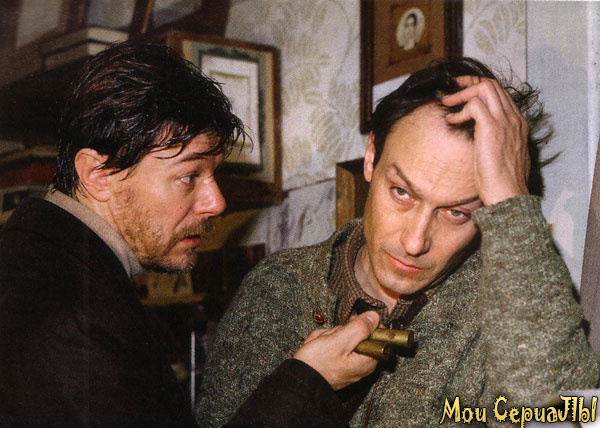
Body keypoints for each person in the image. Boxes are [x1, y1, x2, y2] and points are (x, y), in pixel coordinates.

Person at [196, 57, 600, 428]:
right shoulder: (276, 287)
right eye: (402, 193)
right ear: (371, 157)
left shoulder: (509, 311)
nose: (414, 241)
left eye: (456, 213)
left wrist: (512, 202)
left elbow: (566, 417)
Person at [0, 42, 381, 428]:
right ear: (98, 175)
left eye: (213, 173)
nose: (216, 202)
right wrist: (308, 382)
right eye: (188, 176)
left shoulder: (43, 269)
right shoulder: (68, 320)